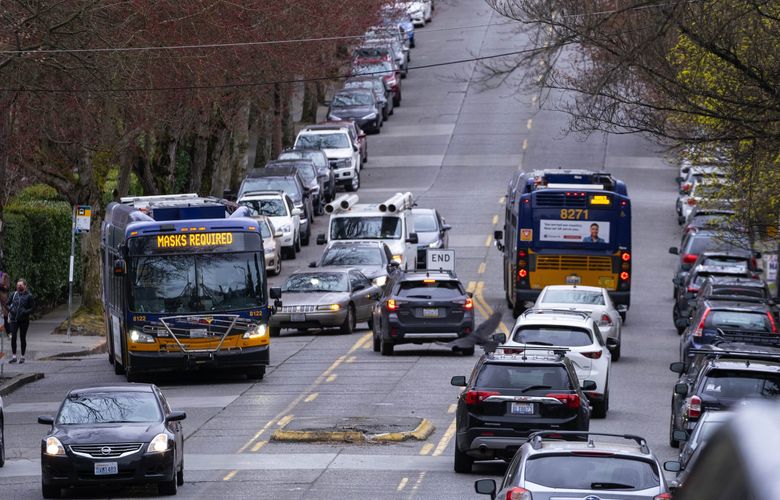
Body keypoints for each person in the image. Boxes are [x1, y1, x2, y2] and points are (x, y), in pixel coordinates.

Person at [8, 278, 34, 364]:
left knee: (22, 338)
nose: (19, 286)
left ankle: (22, 356)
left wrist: (25, 312)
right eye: (18, 285)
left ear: (25, 286)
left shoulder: (29, 296)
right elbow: (7, 304)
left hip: (24, 320)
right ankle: (14, 356)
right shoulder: (14, 294)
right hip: (14, 319)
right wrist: (11, 309)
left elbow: (33, 308)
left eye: (21, 285)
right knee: (13, 337)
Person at [0, 264, 9, 332]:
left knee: (5, 313)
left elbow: (7, 286)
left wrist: (2, 285)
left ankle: (8, 331)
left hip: (3, 296)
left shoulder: (4, 275)